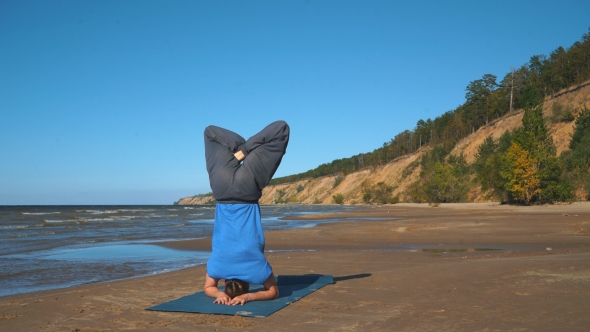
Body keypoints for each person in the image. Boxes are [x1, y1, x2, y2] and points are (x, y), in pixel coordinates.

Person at [202, 120, 290, 306]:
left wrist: (249, 297)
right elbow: (208, 288)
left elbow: (273, 292)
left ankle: (244, 151)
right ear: (225, 282)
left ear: (249, 284)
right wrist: (218, 294)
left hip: (248, 190)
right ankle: (241, 151)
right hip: (222, 190)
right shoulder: (217, 268)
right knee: (210, 132)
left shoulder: (257, 271)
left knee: (281, 130)